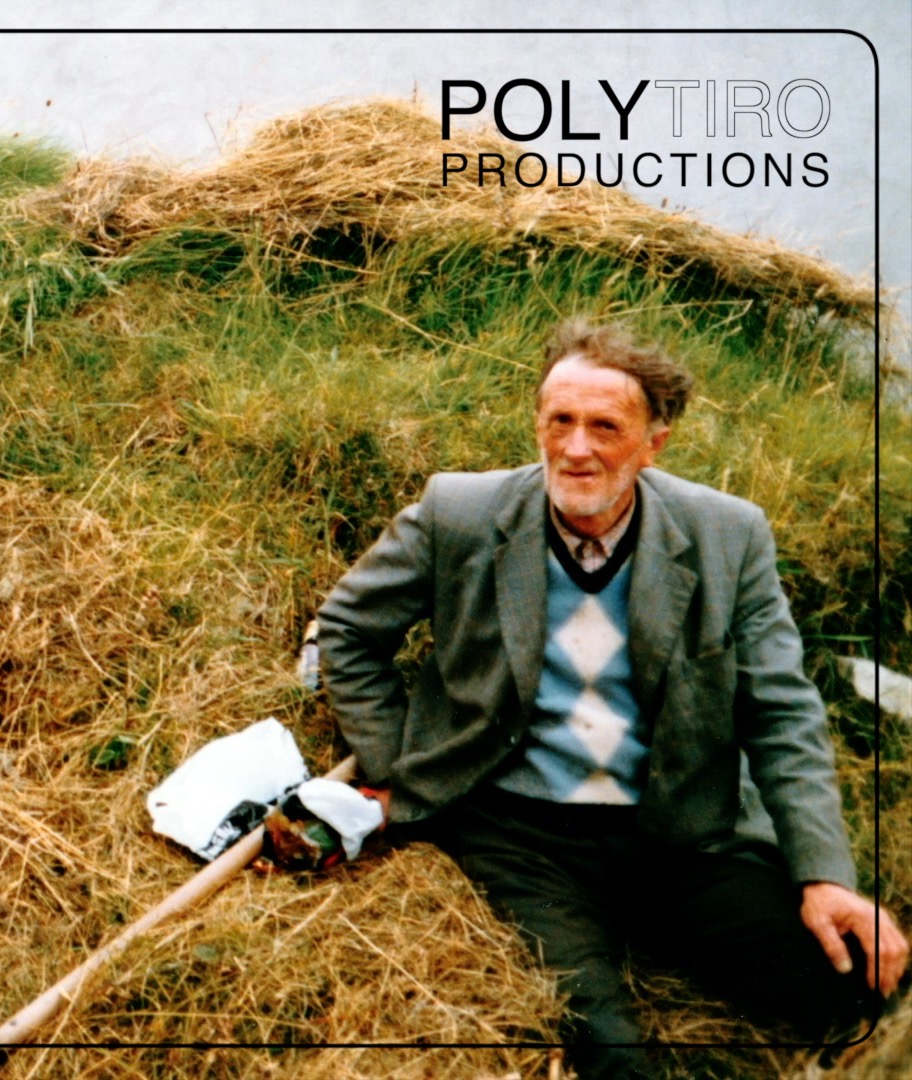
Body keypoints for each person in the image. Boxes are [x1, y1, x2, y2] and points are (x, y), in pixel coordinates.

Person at [316, 317, 905, 1079]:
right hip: (520, 836)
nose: (576, 448)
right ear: (537, 422)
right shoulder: (459, 513)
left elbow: (781, 712)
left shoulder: (728, 534)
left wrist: (822, 875)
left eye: (605, 427)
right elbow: (349, 630)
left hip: (682, 831)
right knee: (605, 1046)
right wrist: (402, 767)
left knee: (855, 983)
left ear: (654, 443)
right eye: (559, 420)